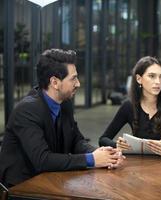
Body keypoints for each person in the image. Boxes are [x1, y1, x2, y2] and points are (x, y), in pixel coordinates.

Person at [0, 49, 124, 187]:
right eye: (73, 78)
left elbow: (76, 140)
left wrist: (101, 154)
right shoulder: (26, 111)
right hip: (21, 188)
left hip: (50, 180)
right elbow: (42, 160)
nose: (78, 84)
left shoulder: (64, 103)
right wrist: (92, 160)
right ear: (54, 83)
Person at [99, 56, 161, 157]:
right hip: (137, 167)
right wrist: (118, 145)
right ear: (139, 79)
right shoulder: (129, 106)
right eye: (152, 76)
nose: (158, 81)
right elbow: (103, 139)